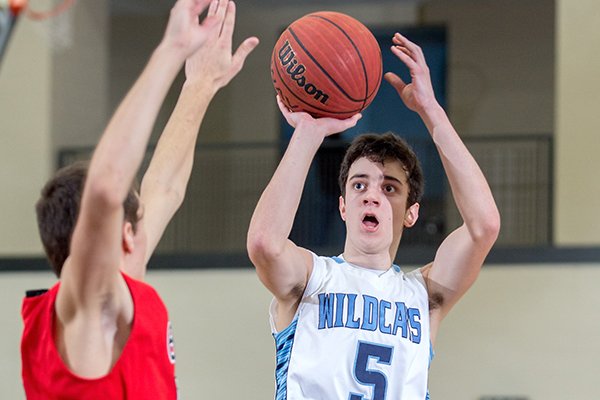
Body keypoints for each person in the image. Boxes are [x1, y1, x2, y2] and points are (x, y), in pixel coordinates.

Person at [21, 0, 258, 398]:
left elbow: (165, 186)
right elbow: (105, 187)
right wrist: (171, 50)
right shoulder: (88, 303)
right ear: (126, 233)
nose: (149, 213)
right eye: (134, 212)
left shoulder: (119, 292)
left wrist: (200, 85)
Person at [247, 32, 500, 399]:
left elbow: (484, 226)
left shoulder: (423, 297)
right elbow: (264, 244)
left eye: (390, 188)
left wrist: (432, 112)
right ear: (343, 205)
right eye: (359, 185)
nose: (372, 197)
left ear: (411, 213)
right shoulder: (311, 278)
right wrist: (308, 134)